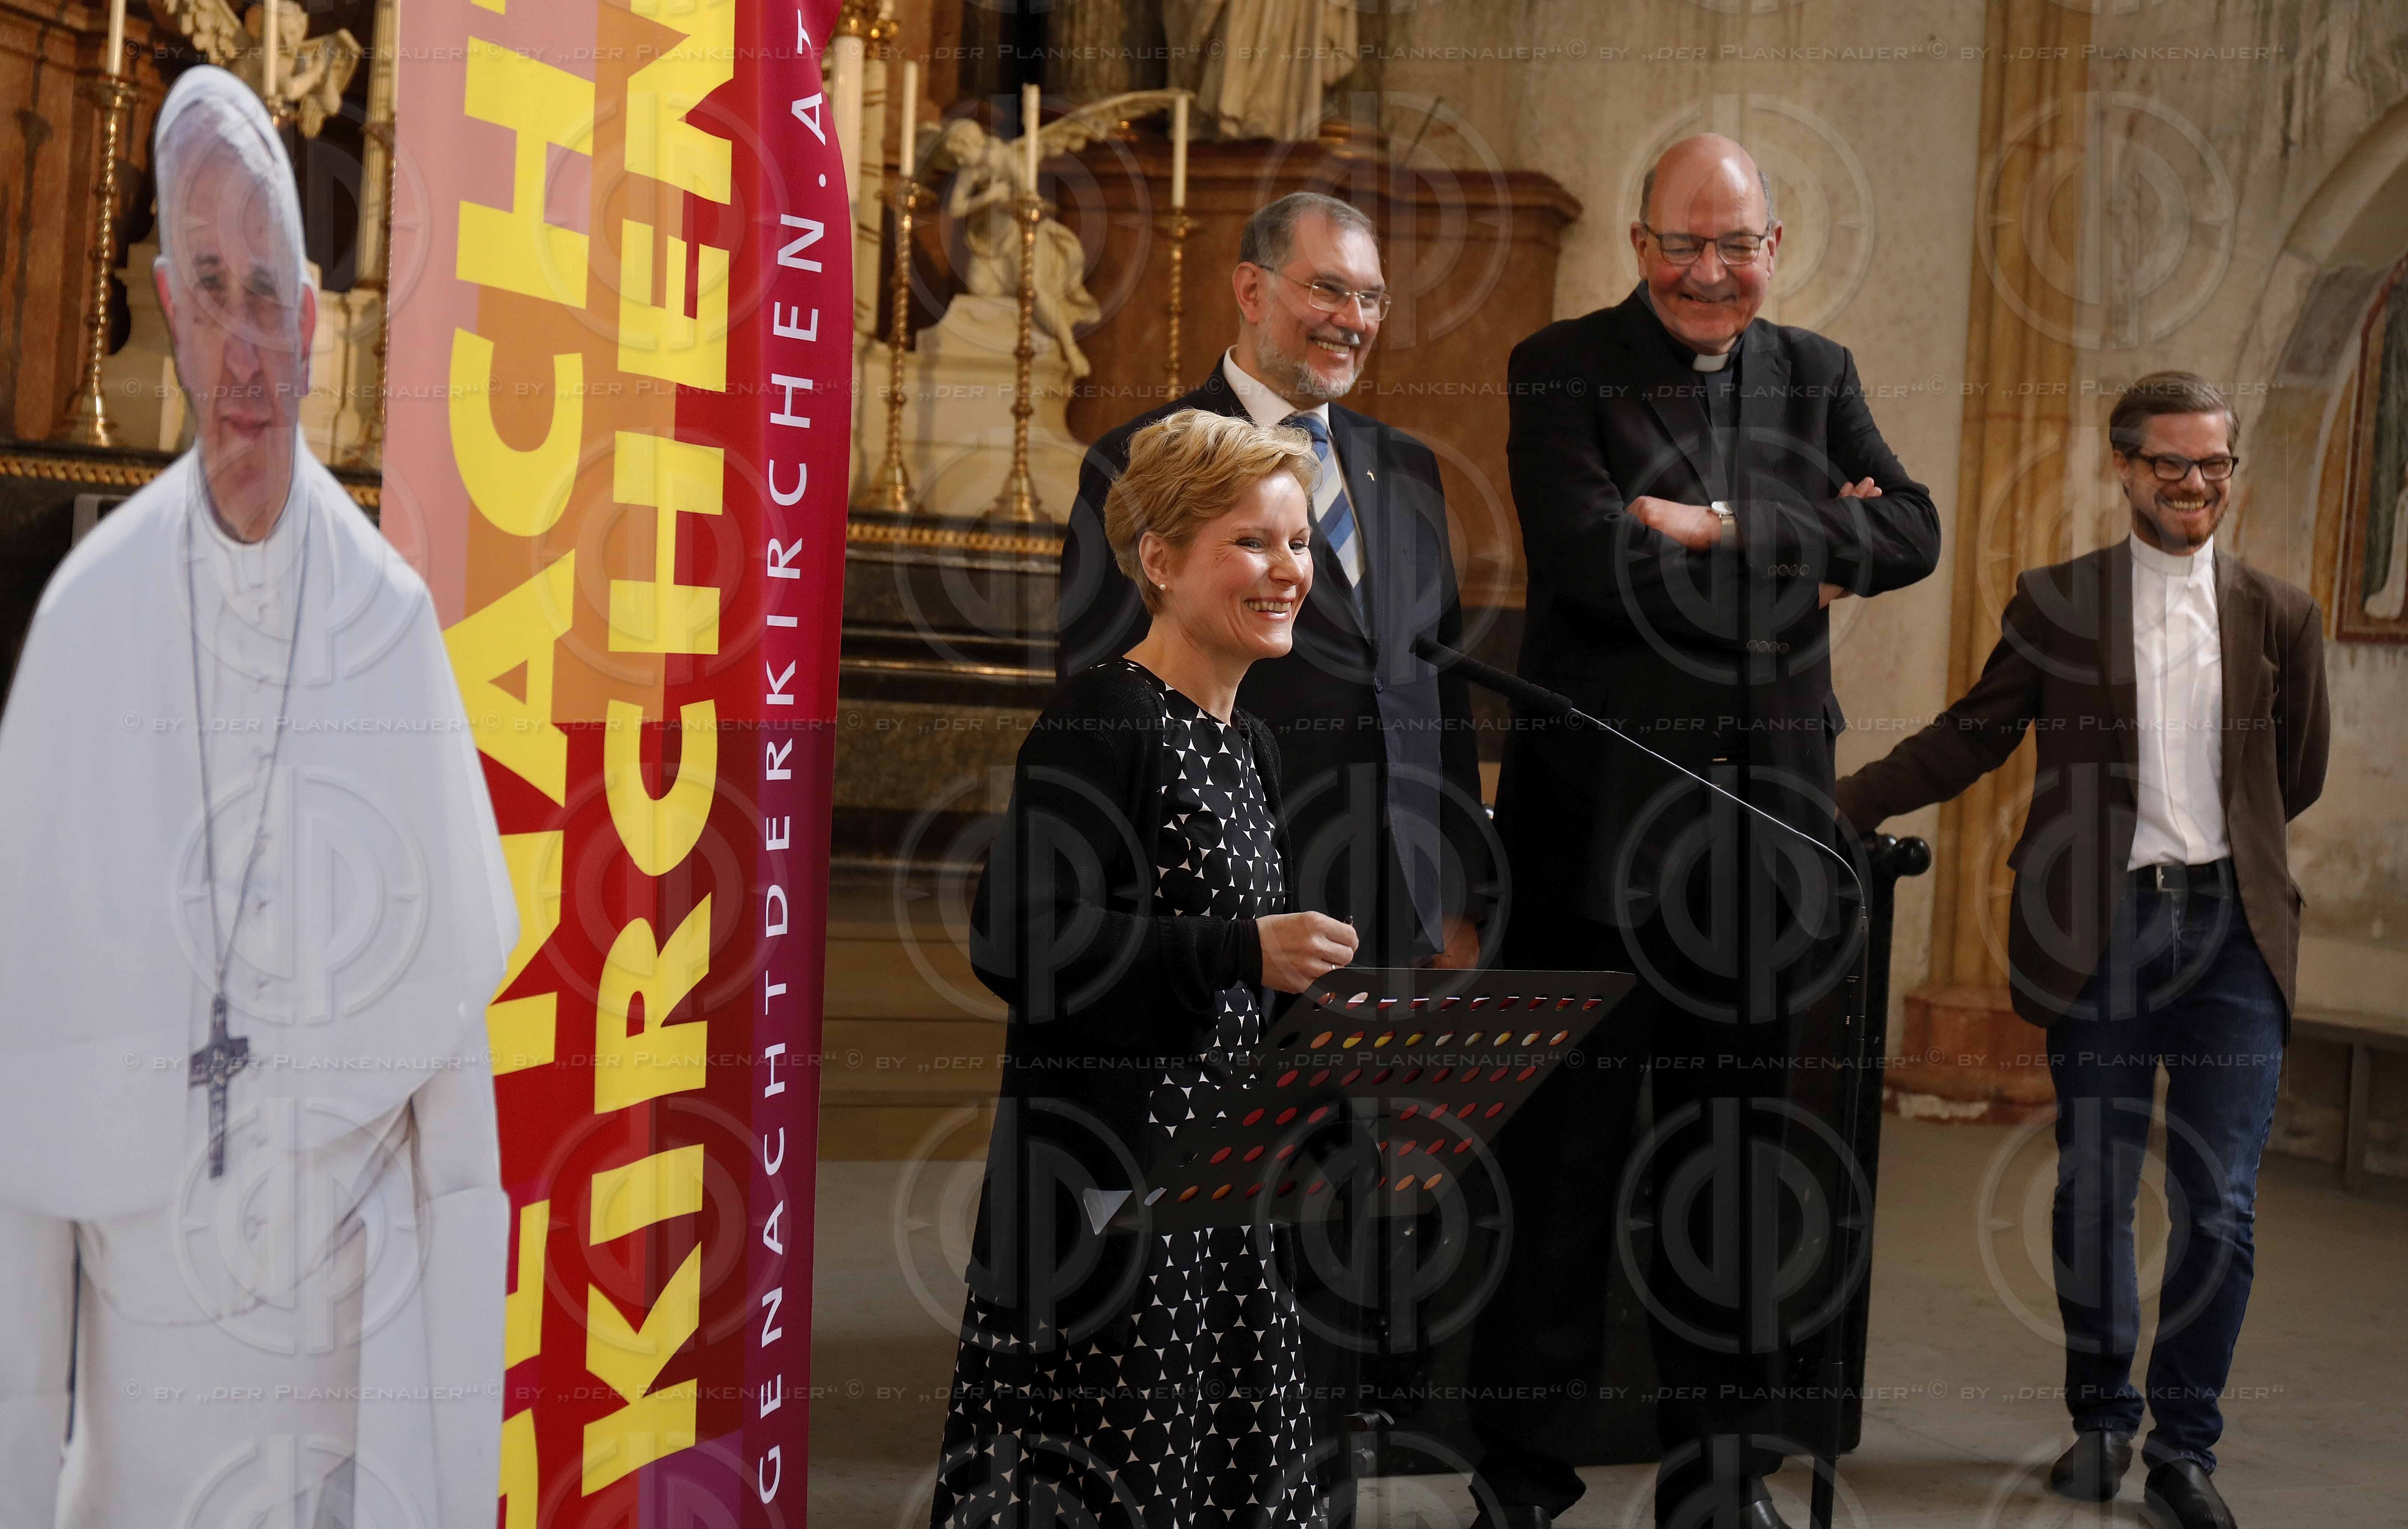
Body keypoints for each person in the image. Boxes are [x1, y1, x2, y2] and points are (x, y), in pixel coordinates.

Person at [0, 69, 514, 1529]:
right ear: (169, 300)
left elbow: (454, 1099)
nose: (246, 337)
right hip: (146, 1364)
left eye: (274, 290)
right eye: (214, 287)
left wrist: (459, 1467)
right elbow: (23, 1112)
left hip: (332, 1380)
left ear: (315, 323)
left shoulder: (389, 618)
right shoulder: (94, 620)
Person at [1468, 134, 1942, 1529]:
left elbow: (1911, 531)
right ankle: (1519, 1472)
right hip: (1596, 838)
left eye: (1736, 247)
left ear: (1773, 251)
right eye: (1683, 245)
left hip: (1763, 854)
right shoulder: (1559, 362)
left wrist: (1721, 525)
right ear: (1637, 244)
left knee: (1732, 1180)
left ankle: (1718, 1479)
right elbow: (1587, 560)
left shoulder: (1821, 371)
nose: (1709, 274)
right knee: (1561, 1174)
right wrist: (1804, 559)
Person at [1834, 373, 2329, 1529]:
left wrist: (2224, 855)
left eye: (2214, 463)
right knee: (2098, 1186)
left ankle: (2185, 1448)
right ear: (2126, 467)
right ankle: (2101, 1415)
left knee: (2223, 1204)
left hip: (2234, 939)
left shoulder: (2281, 615)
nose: (2194, 482)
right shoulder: (2061, 600)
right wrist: (1839, 801)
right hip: (2101, 928)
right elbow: (1974, 732)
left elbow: (2289, 777)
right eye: (2171, 462)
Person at [932, 410, 1359, 1528]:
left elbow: (1231, 989)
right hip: (1101, 1205)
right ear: (1160, 561)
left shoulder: (1247, 742)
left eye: (1299, 542)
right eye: (1253, 543)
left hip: (1217, 1197)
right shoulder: (1100, 717)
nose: (1287, 572)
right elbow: (1017, 939)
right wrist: (1239, 950)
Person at [1059, 190, 1490, 976]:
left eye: (1371, 298)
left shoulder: (1406, 469)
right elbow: (1103, 697)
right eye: (1327, 288)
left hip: (1400, 913)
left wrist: (1459, 894)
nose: (1352, 319)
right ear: (1251, 290)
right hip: (1237, 915)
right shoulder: (1139, 461)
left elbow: (1437, 686)